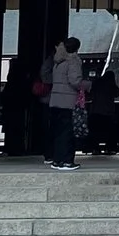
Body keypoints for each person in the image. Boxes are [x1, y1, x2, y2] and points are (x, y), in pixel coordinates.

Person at [44, 36, 86, 171]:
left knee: (58, 132)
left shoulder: (58, 61)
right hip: (67, 101)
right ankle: (66, 161)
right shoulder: (73, 61)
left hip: (55, 100)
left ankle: (57, 160)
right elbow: (75, 81)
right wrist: (88, 85)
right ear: (77, 48)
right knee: (67, 132)